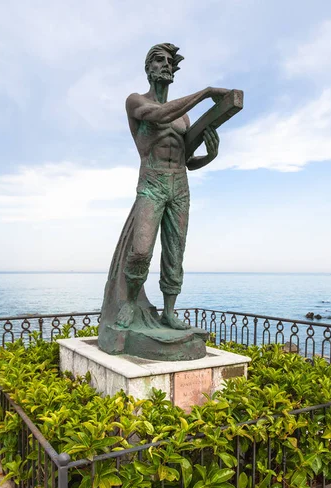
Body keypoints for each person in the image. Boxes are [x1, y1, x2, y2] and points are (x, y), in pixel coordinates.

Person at [112, 43, 228, 332]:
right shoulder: (136, 101)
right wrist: (205, 94)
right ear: (148, 68)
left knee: (175, 250)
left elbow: (188, 161)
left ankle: (170, 311)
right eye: (158, 60)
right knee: (140, 251)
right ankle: (129, 302)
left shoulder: (184, 117)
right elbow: (159, 115)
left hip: (179, 184)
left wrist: (209, 157)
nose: (165, 65)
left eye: (168, 62)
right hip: (152, 181)